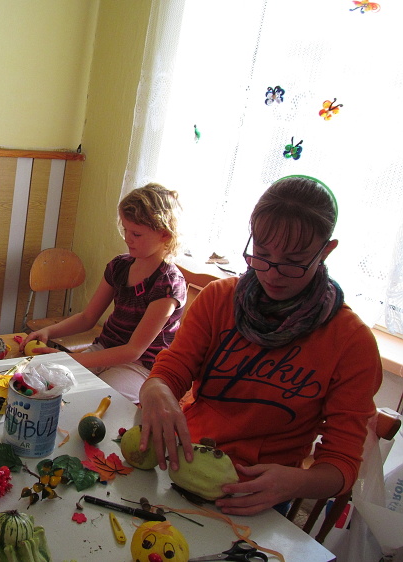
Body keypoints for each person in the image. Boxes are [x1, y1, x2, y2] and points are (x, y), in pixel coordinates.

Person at [138, 175, 383, 516]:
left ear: (326, 251)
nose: (271, 274)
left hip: (260, 497)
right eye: (262, 254)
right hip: (184, 464)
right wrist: (156, 387)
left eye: (293, 262)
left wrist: (298, 482)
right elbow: (174, 368)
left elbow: (341, 464)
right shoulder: (218, 300)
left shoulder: (351, 342)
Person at [20, 183, 187, 403]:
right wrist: (48, 332)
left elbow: (133, 351)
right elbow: (87, 318)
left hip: (141, 366)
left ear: (165, 234)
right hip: (105, 348)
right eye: (125, 229)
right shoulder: (119, 266)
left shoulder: (167, 284)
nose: (127, 238)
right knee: (46, 384)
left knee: (96, 399)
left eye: (136, 234)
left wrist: (71, 359)